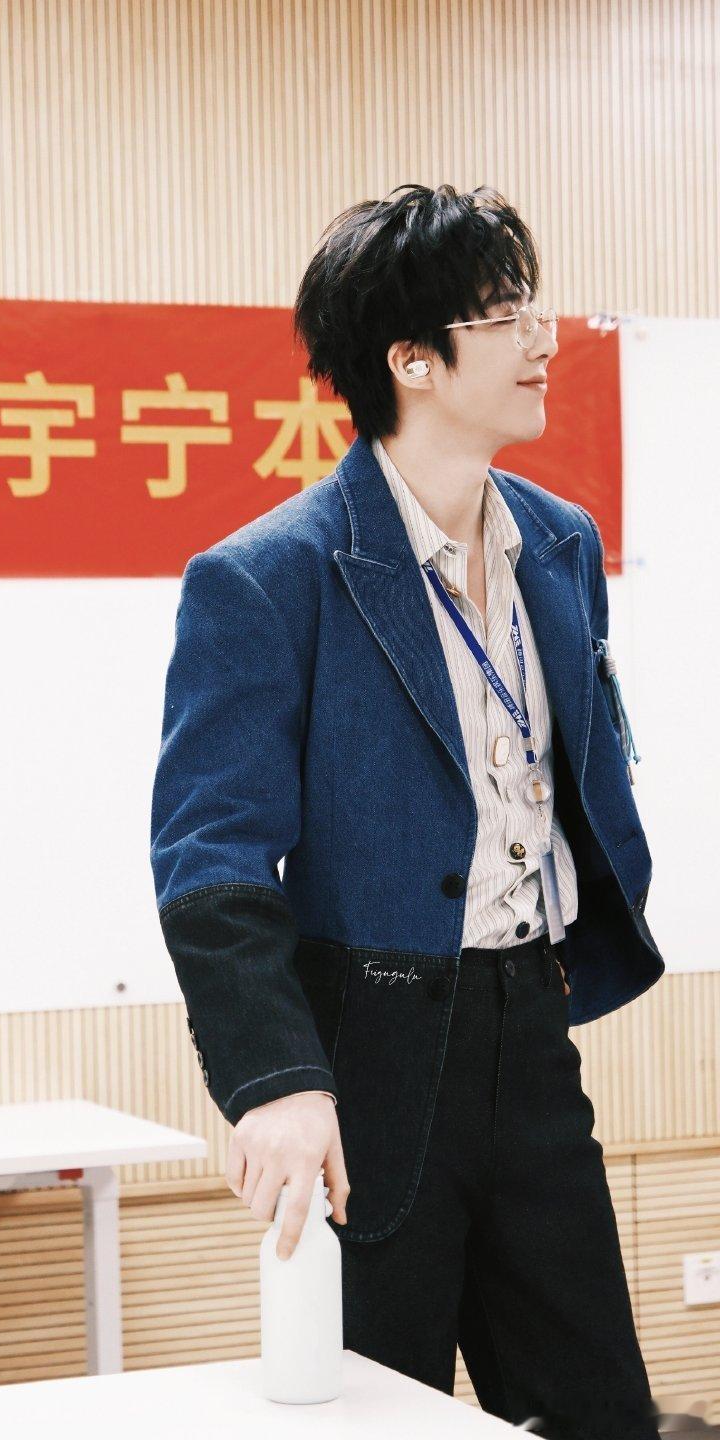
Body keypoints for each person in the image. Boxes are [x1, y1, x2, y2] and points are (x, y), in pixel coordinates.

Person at [149, 182, 664, 1438]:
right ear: (412, 360)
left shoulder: (559, 542)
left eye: (535, 309)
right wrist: (275, 1081)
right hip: (367, 1054)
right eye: (505, 315)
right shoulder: (270, 577)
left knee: (601, 1411)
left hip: (529, 1031)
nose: (543, 339)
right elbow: (210, 856)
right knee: (377, 1414)